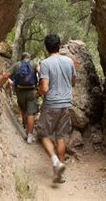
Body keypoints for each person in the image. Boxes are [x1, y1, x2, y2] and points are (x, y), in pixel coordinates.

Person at [36, 34, 76, 183]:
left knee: (42, 134)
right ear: (59, 45)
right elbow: (73, 82)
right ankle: (60, 173)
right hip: (66, 104)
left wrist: (37, 93)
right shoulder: (69, 61)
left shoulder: (45, 64)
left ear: (46, 47)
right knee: (61, 137)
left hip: (51, 104)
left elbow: (45, 88)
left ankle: (55, 162)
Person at [0, 52, 39, 144]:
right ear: (29, 58)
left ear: (21, 58)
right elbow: (41, 71)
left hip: (20, 91)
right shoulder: (34, 64)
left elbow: (6, 76)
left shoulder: (17, 65)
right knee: (31, 114)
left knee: (23, 110)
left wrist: (0, 84)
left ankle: (25, 126)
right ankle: (29, 135)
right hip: (32, 91)